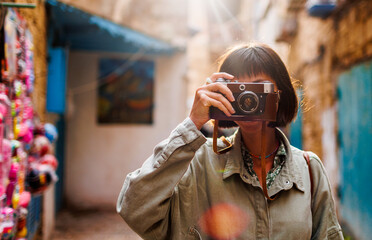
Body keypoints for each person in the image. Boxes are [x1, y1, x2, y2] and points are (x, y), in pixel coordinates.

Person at [117, 42, 344, 240]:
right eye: (238, 89)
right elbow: (134, 209)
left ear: (279, 94)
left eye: (257, 87)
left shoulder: (309, 169)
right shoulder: (197, 161)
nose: (247, 100)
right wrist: (192, 123)